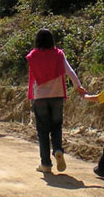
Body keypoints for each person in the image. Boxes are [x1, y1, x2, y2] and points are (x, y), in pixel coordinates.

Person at [26, 28, 86, 173]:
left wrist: (30, 95)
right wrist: (78, 86)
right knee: (56, 127)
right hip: (57, 96)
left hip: (40, 97)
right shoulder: (59, 54)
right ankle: (58, 150)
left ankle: (45, 164)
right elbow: (70, 71)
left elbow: (32, 78)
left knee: (42, 131)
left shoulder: (32, 56)